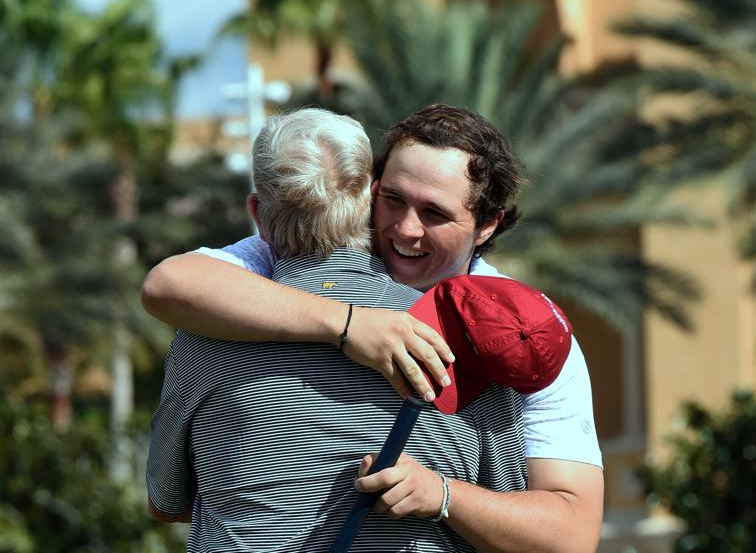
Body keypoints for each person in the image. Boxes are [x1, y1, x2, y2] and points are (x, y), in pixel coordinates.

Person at [142, 104, 604, 552]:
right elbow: (166, 283)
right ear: (369, 194)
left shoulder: (512, 339)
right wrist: (349, 325)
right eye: (394, 200)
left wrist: (443, 494)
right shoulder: (236, 288)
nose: (406, 229)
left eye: (435, 214)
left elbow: (571, 536)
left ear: (487, 225)